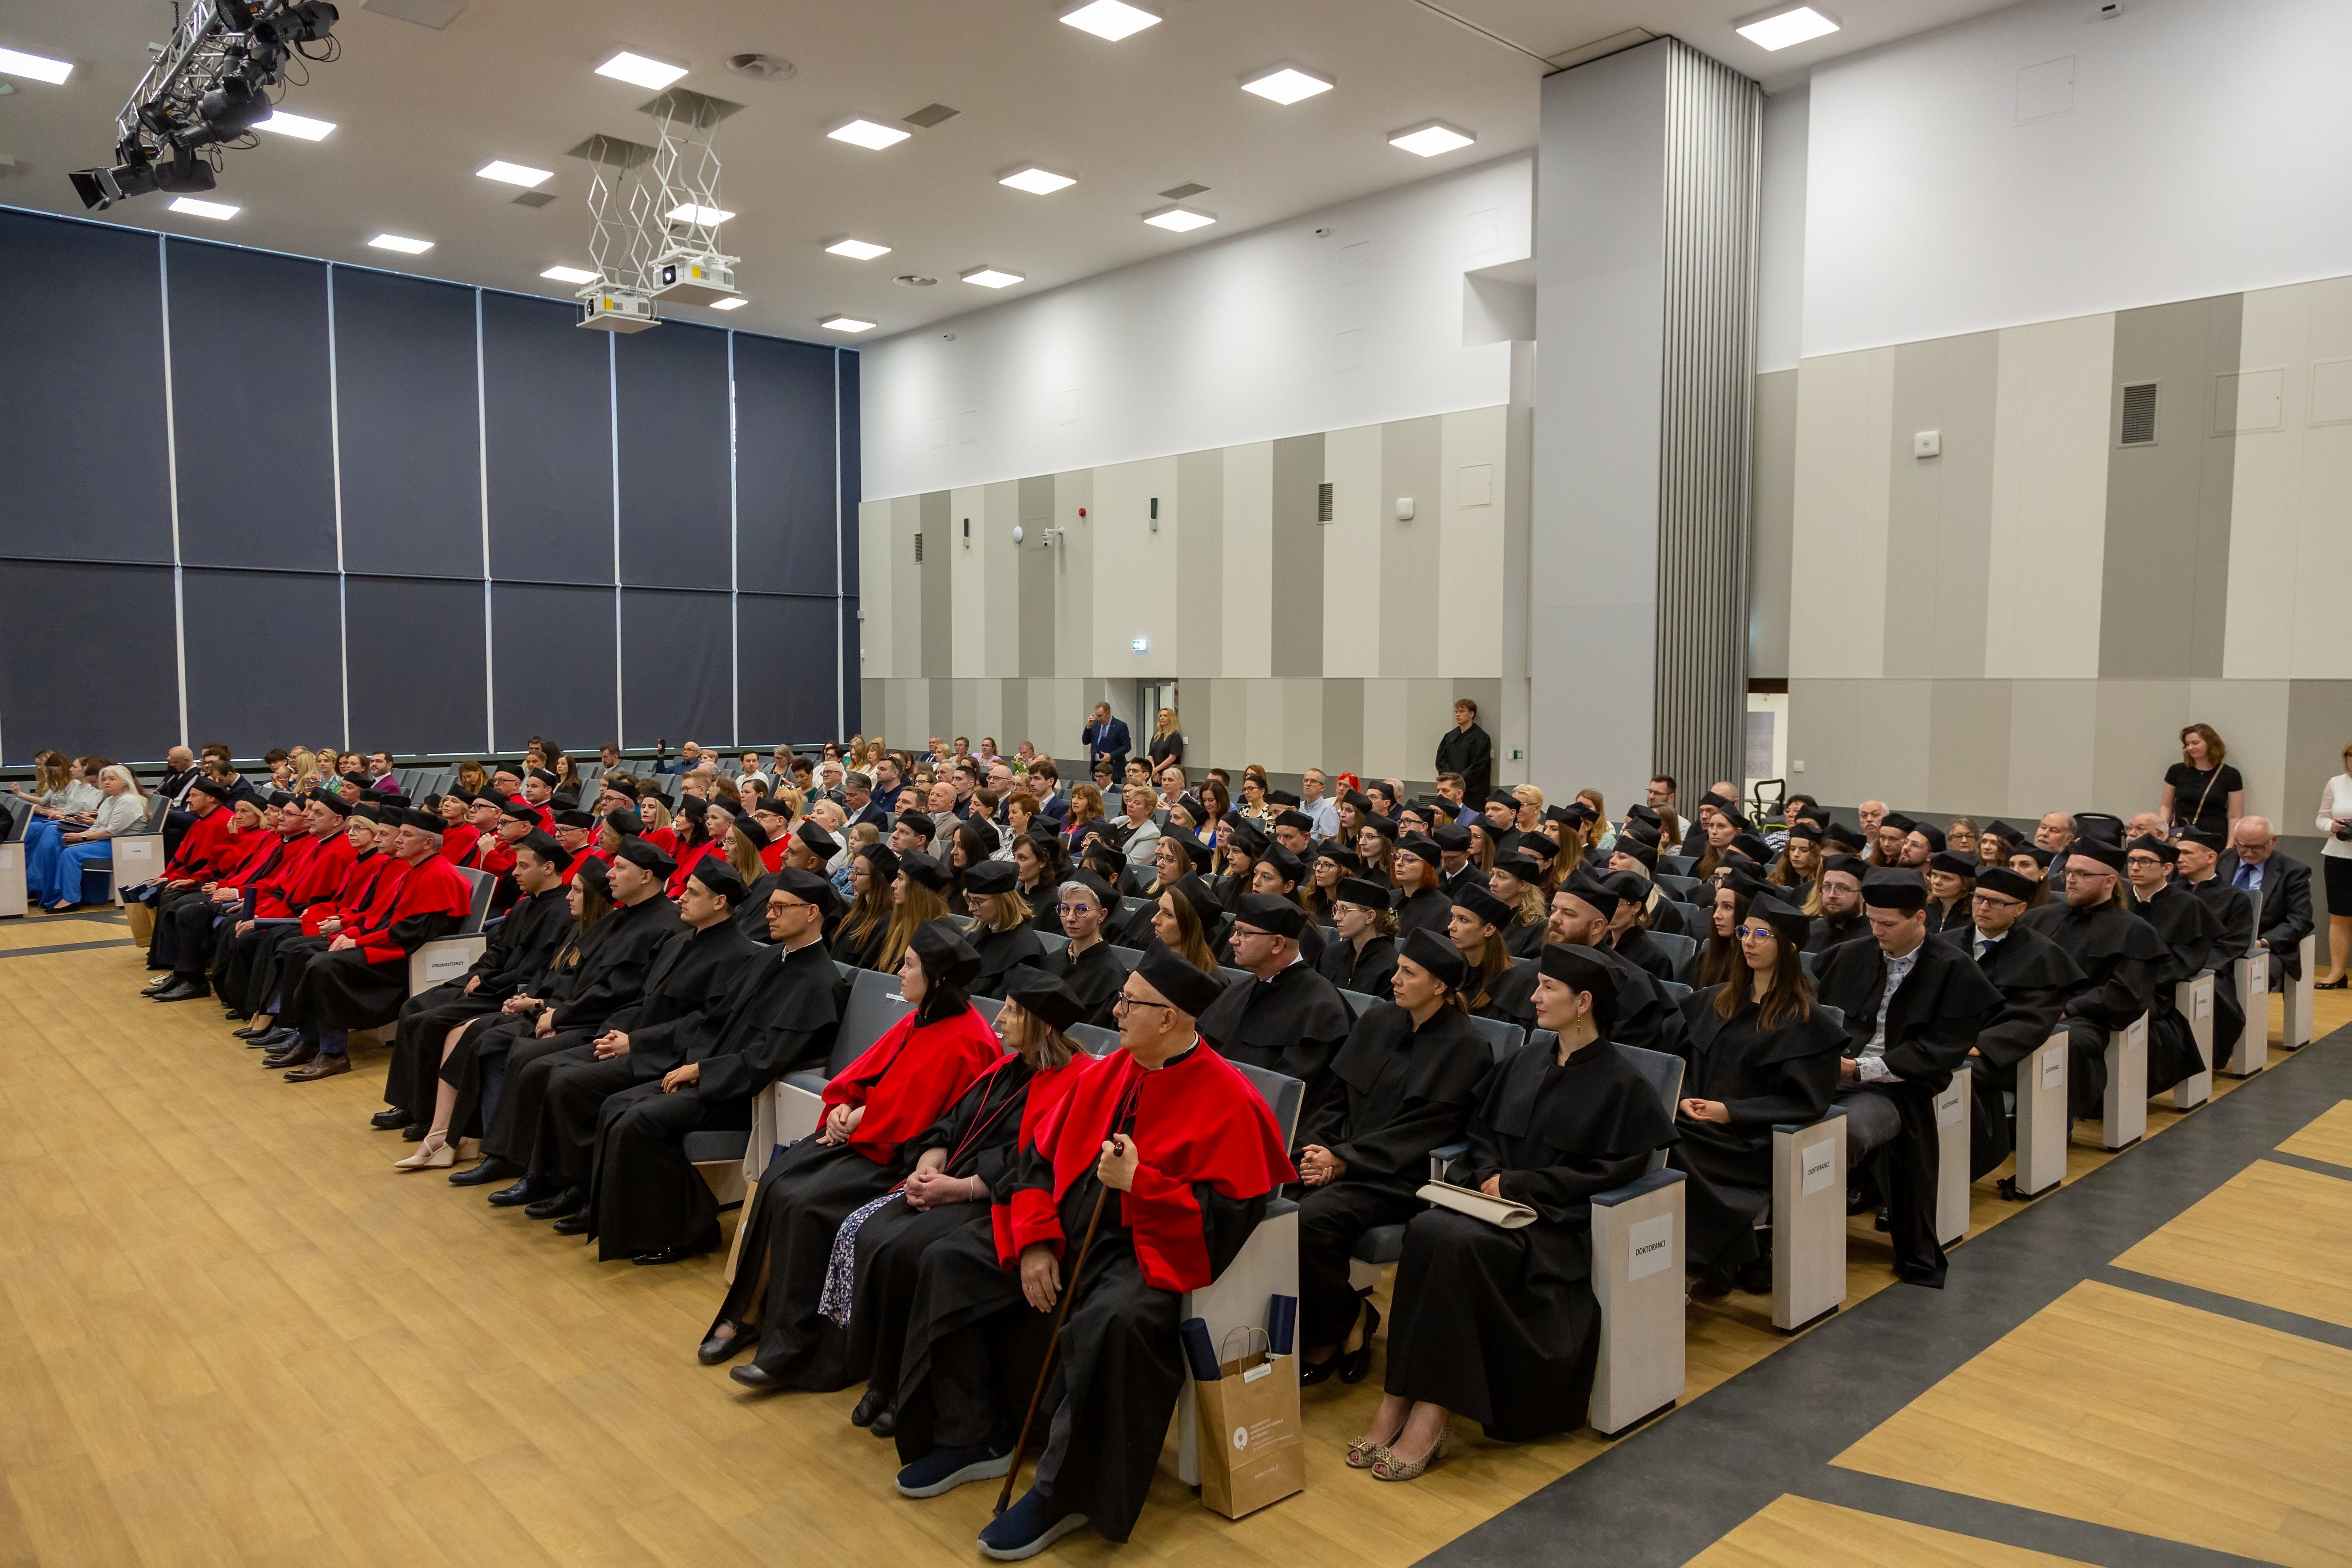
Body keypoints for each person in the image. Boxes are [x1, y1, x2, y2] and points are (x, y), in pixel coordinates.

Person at [884, 944, 1292, 1557]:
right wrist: (1035, 1243)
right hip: (1060, 1233)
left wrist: (1142, 1185)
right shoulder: (1104, 1074)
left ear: (1170, 1018)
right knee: (950, 1261)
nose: (1115, 1012)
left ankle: (1061, 1494)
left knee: (1114, 1322)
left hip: (1144, 1252)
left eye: (1130, 1003)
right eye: (1121, 999)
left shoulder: (1229, 1100)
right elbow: (1034, 1164)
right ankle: (972, 1434)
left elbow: (1227, 1221)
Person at [1360, 944, 1676, 1477]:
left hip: (1553, 1229)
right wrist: (1488, 1175)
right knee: (1425, 1229)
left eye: (1548, 988)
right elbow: (1482, 1134)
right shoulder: (1525, 1061)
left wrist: (1523, 1184)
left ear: (1584, 1002)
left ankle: (1431, 1410)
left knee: (1454, 1243)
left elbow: (1611, 1172)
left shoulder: (1623, 1086)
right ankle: (1399, 1397)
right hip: (1492, 1206)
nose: (1534, 997)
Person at [705, 922, 1003, 1388]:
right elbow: (867, 1072)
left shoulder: (971, 1039)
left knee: (805, 1204)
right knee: (777, 1180)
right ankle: (749, 1313)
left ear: (939, 978)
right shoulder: (921, 1016)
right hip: (863, 1136)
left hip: (900, 1158)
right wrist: (844, 1106)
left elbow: (934, 1119)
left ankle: (792, 1346)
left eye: (909, 965)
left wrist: (865, 1118)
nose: (899, 972)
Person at [838, 968, 1091, 1439]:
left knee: (911, 1253)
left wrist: (957, 1188)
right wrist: (930, 1162)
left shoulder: (1075, 1082)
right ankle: (882, 1376)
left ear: (1042, 1026)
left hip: (994, 1200)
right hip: (948, 1182)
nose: (999, 1020)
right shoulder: (1007, 1068)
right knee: (876, 1237)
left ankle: (910, 1393)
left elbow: (1032, 1163)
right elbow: (952, 1121)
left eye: (1012, 1012)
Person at [587, 869, 849, 1263]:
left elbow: (770, 1058)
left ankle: (690, 1231)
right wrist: (692, 1064)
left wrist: (702, 1073)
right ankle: (625, 1224)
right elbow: (717, 1021)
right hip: (715, 1076)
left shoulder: (819, 983)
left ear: (812, 913)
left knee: (639, 1121)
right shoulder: (767, 958)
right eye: (769, 906)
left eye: (780, 908)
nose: (769, 915)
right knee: (615, 1105)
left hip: (748, 1095)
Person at [493, 862, 762, 1223]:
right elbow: (643, 1001)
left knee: (568, 1082)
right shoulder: (680, 941)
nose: (681, 898)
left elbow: (705, 1024)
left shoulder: (740, 955)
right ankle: (544, 1175)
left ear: (720, 902)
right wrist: (614, 1032)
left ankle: (582, 1188)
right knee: (542, 1067)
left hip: (668, 1056)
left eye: (693, 892)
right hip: (635, 1041)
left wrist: (635, 1042)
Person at [1294, 929, 1490, 1386]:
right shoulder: (1379, 1020)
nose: (1395, 979)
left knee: (1308, 1223)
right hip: (1341, 1158)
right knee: (1265, 1193)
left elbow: (1426, 1131)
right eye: (1398, 969)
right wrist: (1317, 1148)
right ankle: (1340, 1314)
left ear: (1439, 986)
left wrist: (1345, 1160)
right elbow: (1336, 1097)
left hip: (1400, 1177)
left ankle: (1340, 1322)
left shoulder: (1466, 1048)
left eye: (1409, 973)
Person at [1810, 870, 2000, 1286]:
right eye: (1872, 920)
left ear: (1919, 918)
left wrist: (1859, 1069)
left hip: (1900, 1084)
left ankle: (1814, 1228)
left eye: (1888, 924)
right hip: (1833, 1070)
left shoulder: (1955, 969)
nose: (1877, 931)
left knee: (1843, 1133)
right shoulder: (1851, 955)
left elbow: (1939, 1050)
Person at [1670, 893, 1845, 1295]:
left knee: (1669, 1144)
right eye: (1746, 932)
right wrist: (1687, 1097)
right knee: (1650, 1130)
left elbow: (1805, 1102)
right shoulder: (1716, 1000)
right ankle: (1725, 1254)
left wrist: (1729, 1112)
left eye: (1762, 935)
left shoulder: (1805, 1021)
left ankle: (1707, 1259)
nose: (1749, 942)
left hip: (1752, 1142)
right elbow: (1684, 1062)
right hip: (1699, 1123)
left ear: (1790, 948)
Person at [375, 831, 576, 1143]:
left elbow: (536, 971)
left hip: (508, 992)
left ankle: (428, 1113)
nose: (515, 873)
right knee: (413, 1006)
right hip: (489, 982)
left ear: (548, 868)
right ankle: (408, 1102)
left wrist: (487, 980)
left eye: (523, 866)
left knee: (430, 1021)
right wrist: (480, 972)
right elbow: (497, 947)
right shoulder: (524, 906)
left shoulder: (564, 913)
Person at [2018, 842, 2167, 1120]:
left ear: (2109, 881)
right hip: (2029, 1008)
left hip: (2087, 1018)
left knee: (2066, 1039)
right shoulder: (2039, 918)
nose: (2071, 880)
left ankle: (2055, 1121)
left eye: (2083, 874)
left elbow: (2127, 991)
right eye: (2069, 872)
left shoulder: (2136, 931)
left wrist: (2069, 1009)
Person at [1196, 892, 1353, 1138]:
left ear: (1277, 944)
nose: (1232, 940)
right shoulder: (1240, 988)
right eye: (1236, 930)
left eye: (1244, 933)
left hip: (1250, 1130)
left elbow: (1288, 1099)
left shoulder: (1322, 1010)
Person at [28, 763, 146, 909]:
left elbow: (111, 832)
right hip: (110, 841)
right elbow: (97, 827)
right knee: (63, 847)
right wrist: (78, 835)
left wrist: (82, 838)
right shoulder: (110, 800)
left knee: (71, 853)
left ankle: (71, 899)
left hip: (123, 844)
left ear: (125, 782)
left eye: (112, 779)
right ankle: (58, 894)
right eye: (105, 779)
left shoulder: (129, 801)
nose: (107, 782)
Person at [2232, 816, 2314, 990]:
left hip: (2267, 946)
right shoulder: (2224, 860)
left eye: (2257, 847)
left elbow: (2299, 920)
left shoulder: (2293, 872)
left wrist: (2262, 943)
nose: (2249, 853)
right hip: (2223, 943)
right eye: (2243, 846)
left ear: (2273, 840)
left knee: (2249, 976)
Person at [1449, 882, 1539, 1028]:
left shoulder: (1508, 988)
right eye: (1452, 917)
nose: (1451, 926)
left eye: (1463, 920)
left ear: (1489, 929)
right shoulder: (1451, 972)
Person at [1049, 870, 1130, 1026]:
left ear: (1102, 915)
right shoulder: (1051, 961)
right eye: (1065, 908)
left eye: (1082, 909)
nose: (1070, 918)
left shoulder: (1113, 978)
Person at [960, 860, 1048, 998]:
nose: (971, 909)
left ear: (1004, 901)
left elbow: (1000, 1002)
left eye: (979, 901)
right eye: (970, 900)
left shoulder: (1026, 952)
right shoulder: (978, 935)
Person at [1318, 876, 1400, 997]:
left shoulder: (1391, 966)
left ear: (1370, 917)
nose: (1336, 918)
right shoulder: (1330, 954)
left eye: (1345, 910)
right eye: (1337, 909)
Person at [2162, 723, 2244, 841]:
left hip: (2214, 836)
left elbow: (2235, 816)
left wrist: (2230, 845)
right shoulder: (2176, 771)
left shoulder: (2231, 775)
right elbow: (2166, 806)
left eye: (2195, 743)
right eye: (2187, 744)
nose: (2190, 748)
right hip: (2181, 833)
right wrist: (2162, 831)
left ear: (2211, 744)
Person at [2314, 741, 2352, 987]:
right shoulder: (2336, 783)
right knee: (2339, 916)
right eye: (2350, 756)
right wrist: (2332, 826)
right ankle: (2338, 973)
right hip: (2339, 857)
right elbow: (2321, 819)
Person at [1433, 698, 1493, 806]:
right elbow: (1441, 760)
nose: (1458, 715)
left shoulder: (1481, 738)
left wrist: (1459, 782)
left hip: (1472, 791)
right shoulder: (1450, 737)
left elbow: (1478, 765)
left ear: (1472, 714)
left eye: (1462, 711)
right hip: (1450, 789)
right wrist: (1449, 779)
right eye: (1456, 712)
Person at [1082, 702, 1132, 783]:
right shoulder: (1095, 724)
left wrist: (1111, 755)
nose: (1099, 719)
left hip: (1113, 766)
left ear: (1108, 712)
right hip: (1097, 765)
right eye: (1097, 716)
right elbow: (1085, 741)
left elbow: (1127, 746)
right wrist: (1088, 727)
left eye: (1101, 716)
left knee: (1112, 789)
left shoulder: (1120, 726)